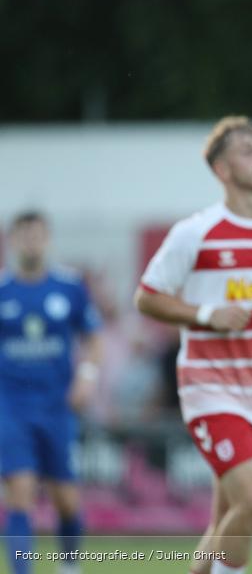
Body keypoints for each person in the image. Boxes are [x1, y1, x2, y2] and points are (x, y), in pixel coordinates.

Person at [134, 116, 252, 574]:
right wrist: (204, 315)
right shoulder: (196, 233)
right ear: (221, 169)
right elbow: (146, 297)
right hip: (209, 386)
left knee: (225, 519)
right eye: (246, 150)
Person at [0, 211, 103, 574]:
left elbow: (92, 337)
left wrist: (87, 376)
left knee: (67, 501)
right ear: (13, 240)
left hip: (57, 406)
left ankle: (69, 566)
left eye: (38, 234)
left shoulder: (69, 287)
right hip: (10, 406)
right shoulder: (3, 290)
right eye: (25, 234)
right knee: (20, 491)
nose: (32, 241)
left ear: (48, 240)